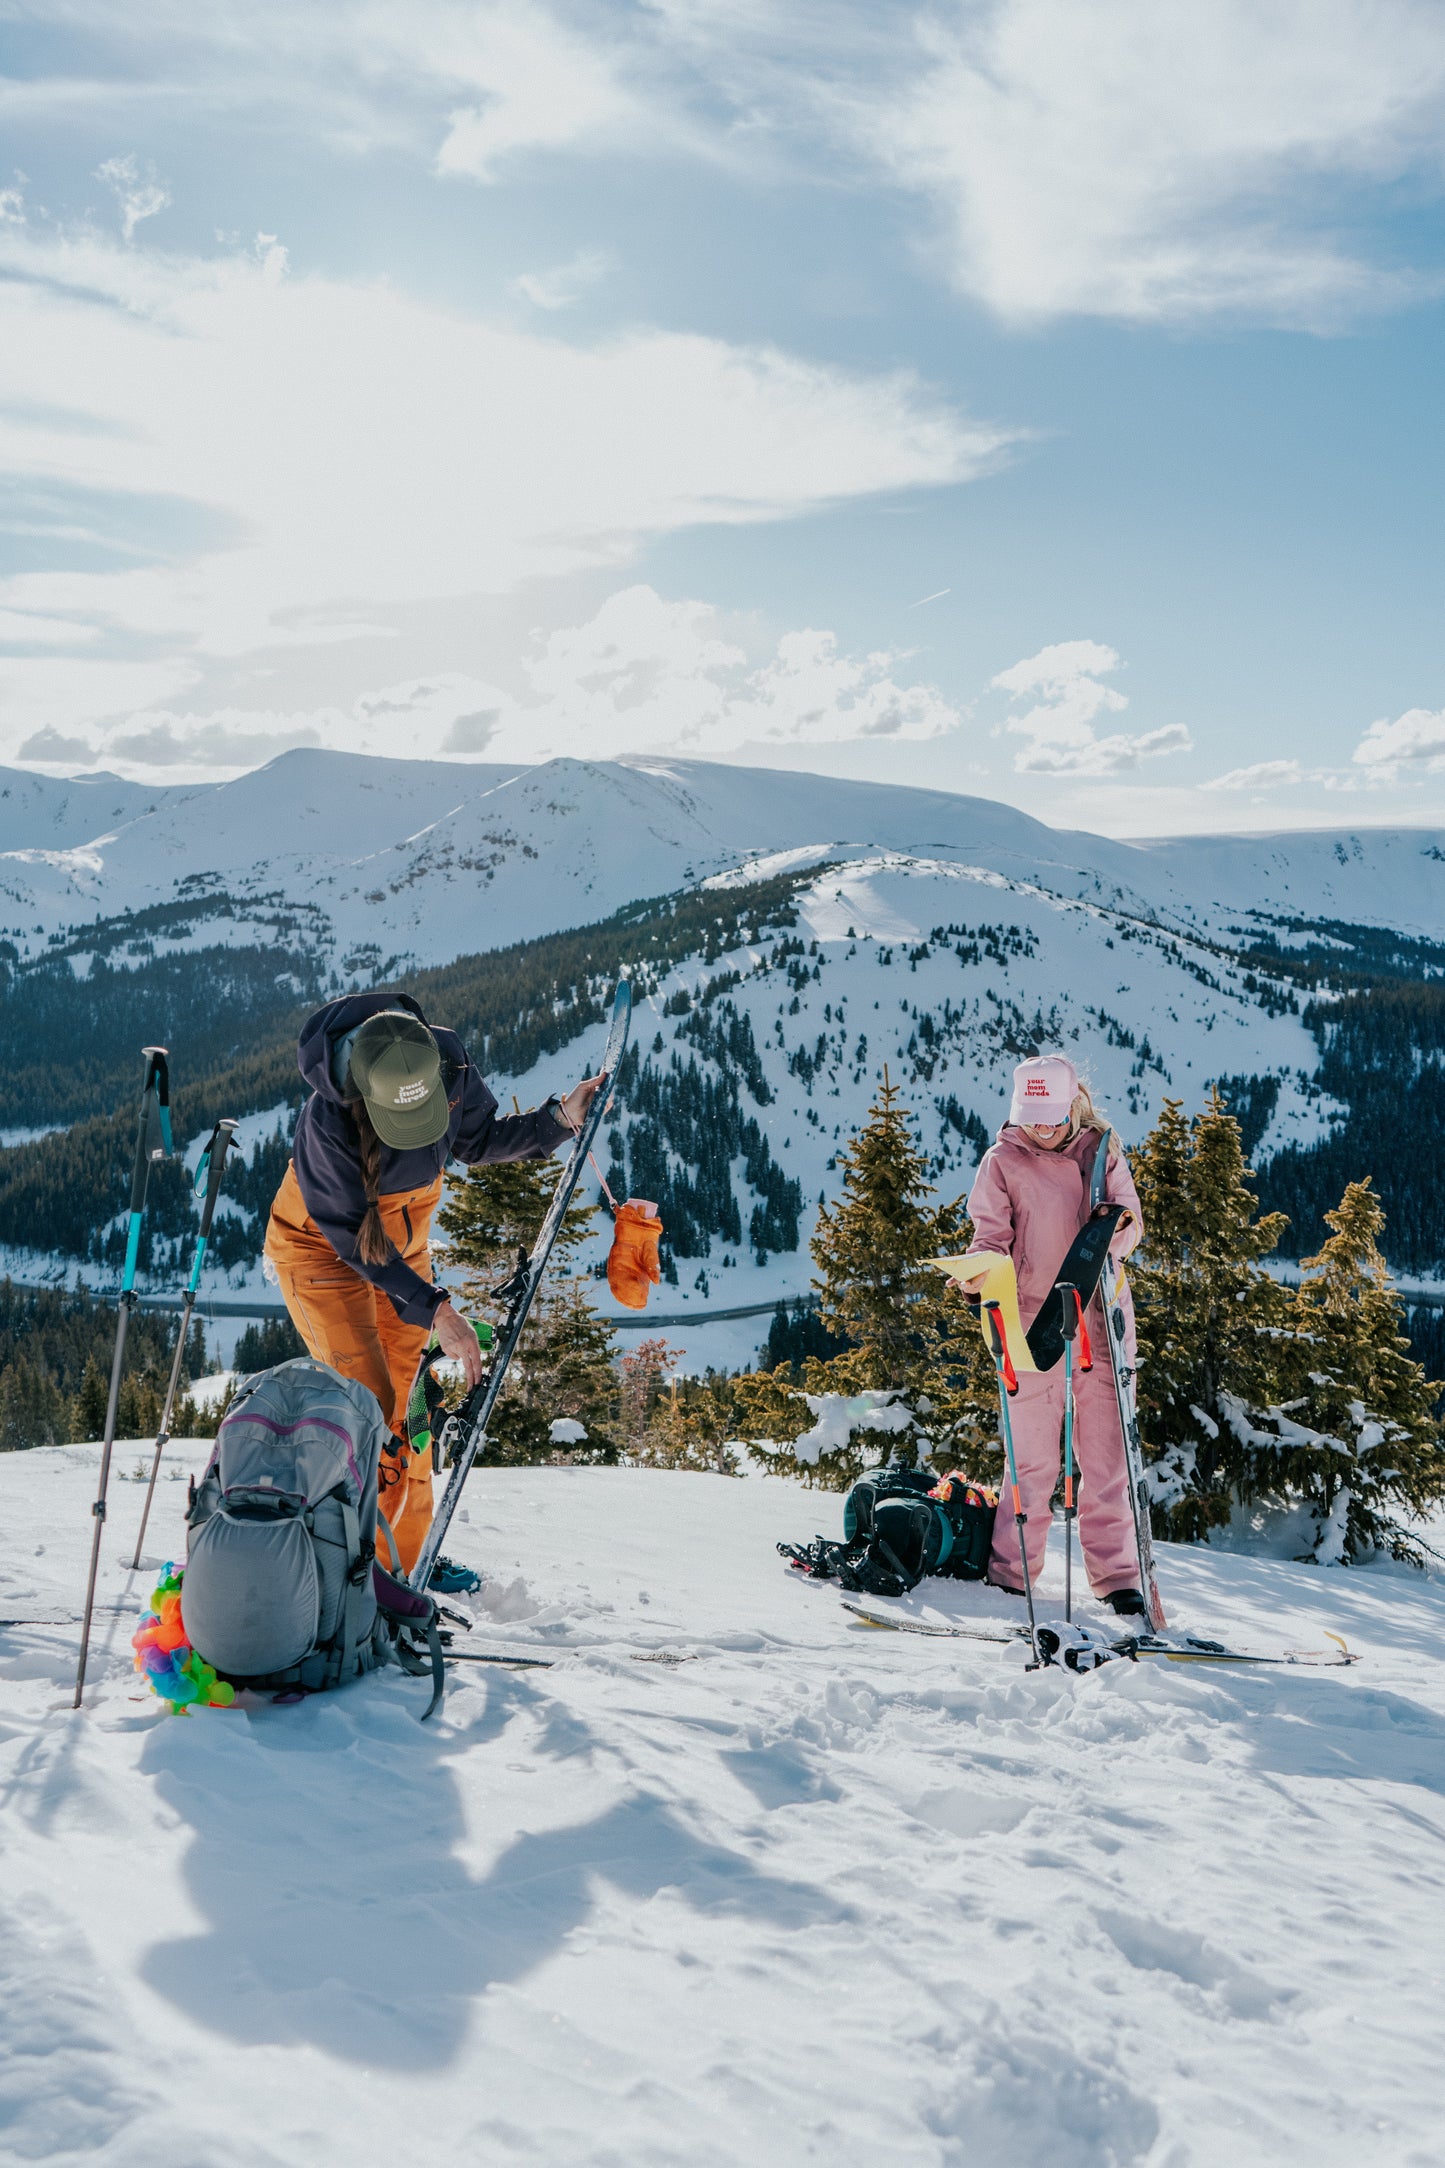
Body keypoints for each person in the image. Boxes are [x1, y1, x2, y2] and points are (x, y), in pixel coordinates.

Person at [264, 993, 599, 1583]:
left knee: (407, 1407)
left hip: (403, 1250)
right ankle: (345, 1568)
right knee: (366, 1407)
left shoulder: (445, 1056)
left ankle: (402, 1558)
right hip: (326, 1253)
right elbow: (354, 1244)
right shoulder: (325, 1124)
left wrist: (559, 1121)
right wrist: (436, 1308)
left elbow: (475, 1142)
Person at [958, 1054, 1148, 1616]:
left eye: (1051, 1115)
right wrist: (977, 1274)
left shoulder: (1100, 1151)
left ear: (1072, 1104)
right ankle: (1013, 1571)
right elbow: (989, 1235)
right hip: (1030, 1324)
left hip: (1099, 1320)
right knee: (1032, 1460)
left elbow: (1129, 1221)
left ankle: (1115, 1575)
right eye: (1031, 1116)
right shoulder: (1002, 1160)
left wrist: (1104, 1241)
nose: (1041, 1127)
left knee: (1106, 1457)